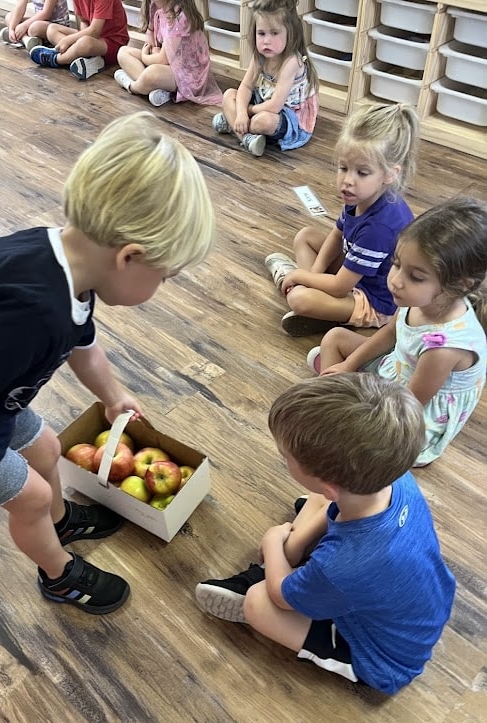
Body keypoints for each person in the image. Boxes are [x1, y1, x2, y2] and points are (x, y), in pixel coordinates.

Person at [0, 112, 215, 615]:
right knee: (28, 497)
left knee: (48, 446)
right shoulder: (33, 312)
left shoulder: (65, 262)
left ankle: (61, 520)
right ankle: (59, 575)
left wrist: (113, 395)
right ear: (130, 257)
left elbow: (83, 346)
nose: (161, 289)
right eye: (167, 277)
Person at [195, 373, 456, 695]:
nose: (283, 459)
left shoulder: (343, 565)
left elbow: (280, 596)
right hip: (415, 602)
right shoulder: (396, 480)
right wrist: (300, 542)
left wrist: (274, 543)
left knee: (259, 603)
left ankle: (270, 580)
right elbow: (335, 505)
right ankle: (294, 562)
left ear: (331, 485)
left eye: (285, 457)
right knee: (316, 502)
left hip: (384, 656)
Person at [306, 197, 487, 467]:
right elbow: (391, 333)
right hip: (398, 370)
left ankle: (335, 403)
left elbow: (408, 405)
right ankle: (336, 391)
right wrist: (348, 365)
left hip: (412, 415)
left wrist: (360, 403)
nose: (396, 281)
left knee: (354, 439)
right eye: (397, 263)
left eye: (416, 276)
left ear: (460, 285)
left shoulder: (445, 348)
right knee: (335, 338)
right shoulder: (419, 299)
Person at [264, 102, 419, 336]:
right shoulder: (361, 196)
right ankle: (322, 308)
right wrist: (314, 274)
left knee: (299, 299)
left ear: (390, 174)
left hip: (374, 302)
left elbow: (339, 287)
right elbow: (338, 233)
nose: (347, 180)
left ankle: (319, 308)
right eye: (343, 167)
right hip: (356, 275)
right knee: (306, 236)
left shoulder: (380, 227)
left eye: (362, 172)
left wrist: (299, 276)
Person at [212, 0, 318, 157]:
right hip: (262, 101)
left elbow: (275, 106)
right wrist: (241, 113)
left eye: (274, 33)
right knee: (228, 94)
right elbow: (246, 87)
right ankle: (246, 137)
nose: (266, 40)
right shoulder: (259, 57)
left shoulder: (291, 62)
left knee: (262, 122)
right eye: (261, 33)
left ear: (290, 33)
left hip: (287, 113)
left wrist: (247, 111)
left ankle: (233, 122)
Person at [113, 0, 222, 108]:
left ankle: (132, 86)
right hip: (168, 62)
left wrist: (145, 57)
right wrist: (153, 50)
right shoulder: (154, 5)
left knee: (152, 73)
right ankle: (154, 88)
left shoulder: (179, 16)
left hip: (186, 73)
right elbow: (151, 37)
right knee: (123, 52)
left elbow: (162, 59)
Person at [29, 0, 128, 80]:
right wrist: (77, 38)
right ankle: (85, 58)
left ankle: (56, 59)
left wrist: (69, 40)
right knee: (52, 29)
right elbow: (84, 22)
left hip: (113, 42)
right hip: (91, 37)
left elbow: (94, 31)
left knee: (85, 42)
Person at [0, 0, 71, 52]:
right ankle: (26, 39)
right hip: (39, 20)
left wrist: (24, 26)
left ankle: (22, 38)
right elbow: (20, 6)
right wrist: (12, 28)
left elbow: (46, 13)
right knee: (9, 16)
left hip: (55, 25)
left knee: (34, 28)